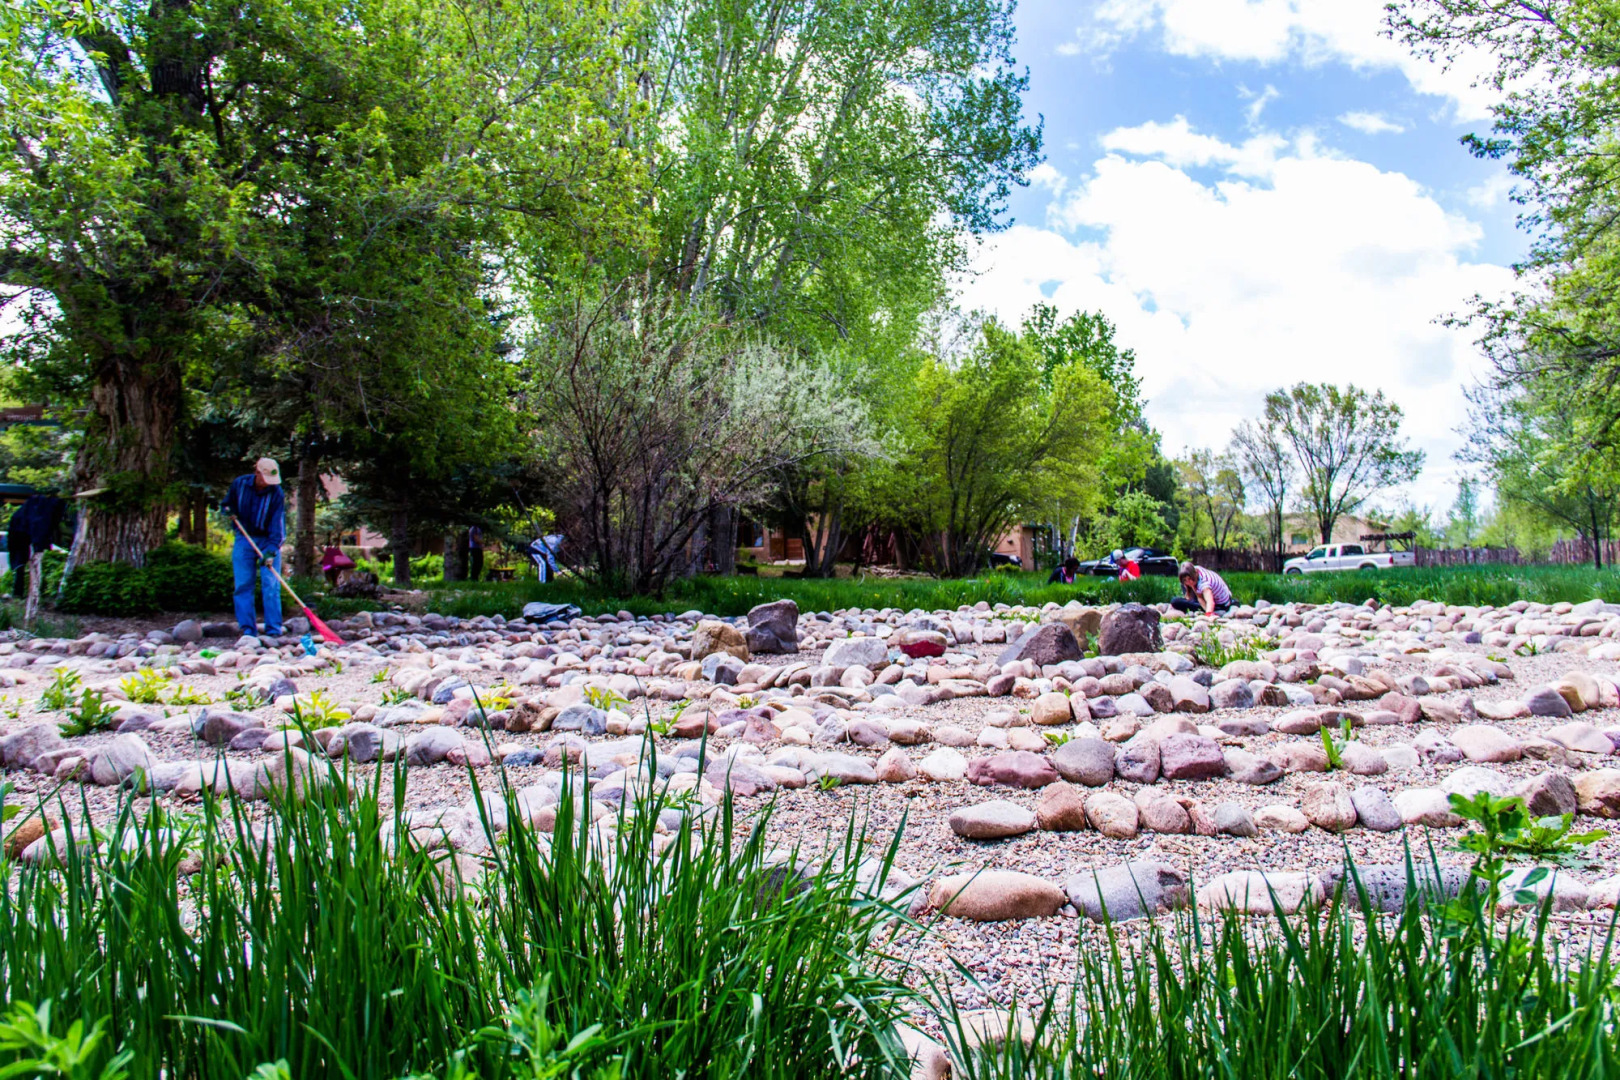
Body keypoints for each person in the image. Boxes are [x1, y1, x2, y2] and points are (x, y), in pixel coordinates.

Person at [223, 458, 286, 638]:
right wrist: (228, 510)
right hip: (245, 538)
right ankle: (248, 631)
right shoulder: (240, 484)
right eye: (265, 478)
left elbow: (278, 524)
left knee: (271, 584)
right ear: (257, 473)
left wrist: (272, 550)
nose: (268, 483)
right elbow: (227, 503)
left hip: (268, 540)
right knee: (243, 584)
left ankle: (273, 630)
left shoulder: (276, 493)